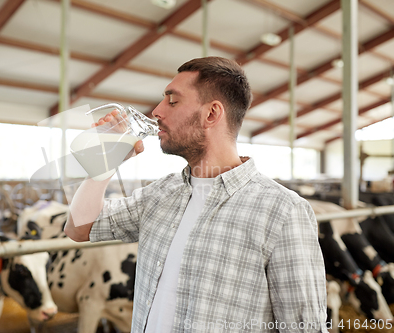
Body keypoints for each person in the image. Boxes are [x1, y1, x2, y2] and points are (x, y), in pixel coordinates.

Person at [65, 57, 328, 333]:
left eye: (172, 100)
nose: (156, 111)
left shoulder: (283, 211)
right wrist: (104, 164)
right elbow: (80, 227)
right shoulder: (160, 194)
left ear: (211, 114)